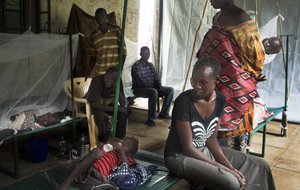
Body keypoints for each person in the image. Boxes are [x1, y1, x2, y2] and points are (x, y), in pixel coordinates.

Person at [164, 56, 276, 190]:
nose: (196, 86)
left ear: (216, 80)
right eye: (193, 81)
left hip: (203, 150)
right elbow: (188, 147)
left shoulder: (220, 100)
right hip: (179, 156)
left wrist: (228, 165)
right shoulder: (184, 101)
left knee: (260, 165)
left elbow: (211, 139)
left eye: (203, 82)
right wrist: (222, 168)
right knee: (231, 181)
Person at [196, 0, 281, 150]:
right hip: (215, 79)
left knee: (230, 134)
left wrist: (251, 76)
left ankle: (231, 163)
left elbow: (255, 53)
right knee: (210, 123)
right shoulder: (217, 17)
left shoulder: (241, 18)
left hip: (233, 84)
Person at [58, 136, 139, 190]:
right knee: (98, 152)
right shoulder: (111, 148)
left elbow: (126, 169)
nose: (124, 143)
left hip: (96, 178)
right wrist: (112, 142)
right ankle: (68, 181)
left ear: (130, 154)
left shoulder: (127, 159)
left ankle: (77, 180)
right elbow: (102, 147)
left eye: (128, 144)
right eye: (124, 140)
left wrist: (121, 150)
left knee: (111, 187)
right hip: (84, 168)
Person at [131, 46, 174, 126]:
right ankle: (151, 118)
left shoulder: (150, 65)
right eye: (145, 53)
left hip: (152, 88)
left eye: (148, 53)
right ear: (140, 54)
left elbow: (156, 78)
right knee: (153, 92)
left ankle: (164, 113)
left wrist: (159, 86)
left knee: (170, 90)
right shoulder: (136, 66)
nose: (147, 55)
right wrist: (156, 89)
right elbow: (142, 82)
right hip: (139, 89)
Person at [85, 67, 130, 143]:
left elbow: (123, 103)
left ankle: (118, 140)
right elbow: (96, 105)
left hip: (106, 105)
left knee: (123, 113)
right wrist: (117, 109)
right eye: (108, 77)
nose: (109, 80)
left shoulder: (118, 82)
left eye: (112, 79)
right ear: (105, 75)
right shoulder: (97, 80)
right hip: (92, 105)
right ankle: (105, 140)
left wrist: (117, 89)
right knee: (100, 114)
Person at [89, 8, 126, 77]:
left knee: (116, 88)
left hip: (114, 73)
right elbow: (93, 56)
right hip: (99, 73)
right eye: (98, 16)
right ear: (96, 19)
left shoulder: (116, 30)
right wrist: (88, 72)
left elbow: (123, 52)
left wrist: (120, 69)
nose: (100, 18)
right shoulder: (93, 35)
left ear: (106, 17)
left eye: (102, 15)